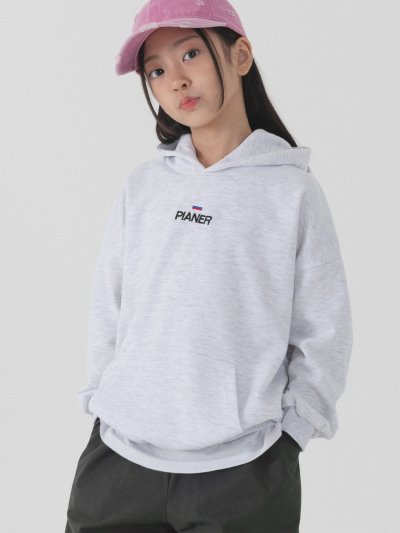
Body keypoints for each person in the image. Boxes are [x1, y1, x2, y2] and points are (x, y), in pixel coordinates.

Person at [65, 0, 353, 531]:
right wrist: (100, 399)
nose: (175, 79)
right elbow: (110, 304)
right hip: (118, 461)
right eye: (156, 70)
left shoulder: (291, 192)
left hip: (245, 470)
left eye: (191, 54)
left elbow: (323, 328)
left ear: (240, 55)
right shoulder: (144, 187)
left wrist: (294, 431)